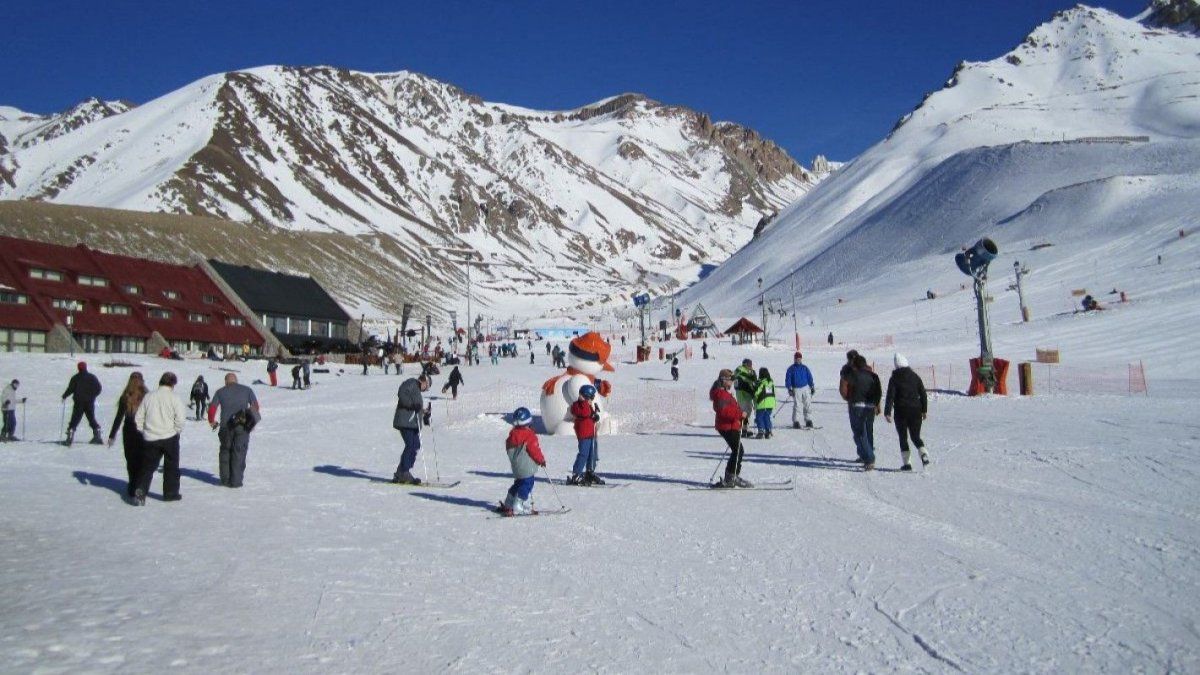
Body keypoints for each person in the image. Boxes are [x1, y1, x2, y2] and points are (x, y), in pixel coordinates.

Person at [132, 372, 187, 505]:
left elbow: (138, 417)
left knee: (147, 466)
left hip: (151, 437)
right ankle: (170, 493)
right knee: (171, 466)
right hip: (170, 436)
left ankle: (141, 489)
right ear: (173, 384)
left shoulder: (149, 397)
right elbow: (180, 418)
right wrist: (177, 430)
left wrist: (143, 430)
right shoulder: (174, 398)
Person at [208, 373, 261, 488]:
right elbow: (255, 406)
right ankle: (236, 481)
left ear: (226, 381)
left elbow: (212, 409)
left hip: (225, 427)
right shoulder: (247, 390)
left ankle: (225, 480)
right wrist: (249, 420)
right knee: (239, 452)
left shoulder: (220, 392)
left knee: (225, 452)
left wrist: (212, 421)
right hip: (242, 427)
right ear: (236, 381)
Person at [884, 354, 930, 470]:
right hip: (916, 411)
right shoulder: (915, 376)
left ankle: (907, 464)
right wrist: (924, 410)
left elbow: (890, 396)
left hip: (901, 412)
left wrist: (887, 412)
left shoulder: (894, 379)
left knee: (903, 437)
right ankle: (923, 453)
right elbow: (923, 394)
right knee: (915, 436)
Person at [498, 407, 546, 516]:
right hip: (526, 467)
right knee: (527, 483)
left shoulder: (512, 436)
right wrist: (541, 460)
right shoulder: (529, 435)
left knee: (518, 483)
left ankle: (509, 503)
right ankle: (518, 505)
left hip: (516, 467)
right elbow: (534, 449)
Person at [107, 372, 147, 499]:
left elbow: (118, 417)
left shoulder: (125, 396)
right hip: (143, 430)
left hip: (129, 429)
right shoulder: (146, 396)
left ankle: (132, 485)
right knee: (142, 459)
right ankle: (139, 485)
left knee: (131, 459)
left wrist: (112, 435)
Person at [840, 354, 881, 470]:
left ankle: (869, 458)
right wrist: (876, 404)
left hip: (857, 405)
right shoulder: (874, 376)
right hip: (870, 406)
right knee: (868, 431)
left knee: (860, 433)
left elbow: (844, 386)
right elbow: (879, 391)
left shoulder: (853, 375)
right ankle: (866, 454)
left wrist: (848, 398)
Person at [711, 369, 750, 487]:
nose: (732, 382)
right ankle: (731, 476)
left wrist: (741, 414)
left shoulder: (724, 393)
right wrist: (739, 414)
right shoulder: (721, 394)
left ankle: (732, 475)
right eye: (731, 379)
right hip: (726, 426)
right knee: (738, 450)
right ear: (724, 380)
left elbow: (730, 408)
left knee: (738, 450)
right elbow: (723, 412)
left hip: (731, 424)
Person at [391, 374, 431, 484]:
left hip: (412, 423)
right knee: (410, 445)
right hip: (405, 422)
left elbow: (415, 406)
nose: (425, 389)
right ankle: (404, 471)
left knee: (416, 445)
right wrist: (412, 405)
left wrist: (424, 411)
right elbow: (402, 393)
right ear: (424, 382)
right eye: (427, 386)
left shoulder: (416, 389)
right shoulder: (412, 383)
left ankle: (401, 471)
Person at [567, 384, 603, 485]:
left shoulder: (587, 405)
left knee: (593, 454)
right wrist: (584, 402)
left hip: (591, 433)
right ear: (586, 397)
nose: (592, 400)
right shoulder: (579, 405)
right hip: (584, 435)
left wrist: (595, 416)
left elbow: (589, 414)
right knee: (583, 454)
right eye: (591, 397)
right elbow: (584, 412)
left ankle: (589, 472)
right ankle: (576, 474)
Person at [62, 361, 103, 446]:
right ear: (85, 367)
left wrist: (64, 396)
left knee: (75, 419)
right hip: (89, 402)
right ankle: (97, 435)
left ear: (78, 368)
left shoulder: (75, 378)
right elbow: (98, 388)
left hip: (79, 402)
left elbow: (71, 389)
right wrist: (93, 395)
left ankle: (70, 436)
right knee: (91, 418)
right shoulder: (92, 377)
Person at [784, 352, 815, 429]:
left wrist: (812, 386)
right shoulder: (791, 369)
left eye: (799, 359)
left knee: (807, 404)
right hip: (796, 388)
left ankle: (808, 420)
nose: (798, 360)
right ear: (794, 359)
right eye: (797, 359)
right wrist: (789, 389)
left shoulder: (805, 368)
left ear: (801, 359)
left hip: (805, 388)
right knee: (797, 405)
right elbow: (788, 380)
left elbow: (809, 377)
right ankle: (796, 421)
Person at [733, 358, 758, 437]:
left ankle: (744, 428)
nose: (751, 366)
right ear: (746, 364)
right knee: (745, 411)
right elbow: (739, 376)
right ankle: (742, 429)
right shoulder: (741, 369)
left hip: (744, 393)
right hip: (743, 393)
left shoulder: (745, 371)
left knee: (746, 411)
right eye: (750, 365)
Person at [754, 367, 777, 439]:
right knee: (767, 417)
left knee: (759, 417)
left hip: (762, 402)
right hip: (770, 403)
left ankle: (761, 431)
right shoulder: (771, 382)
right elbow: (774, 391)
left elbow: (757, 392)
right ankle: (768, 430)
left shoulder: (761, 382)